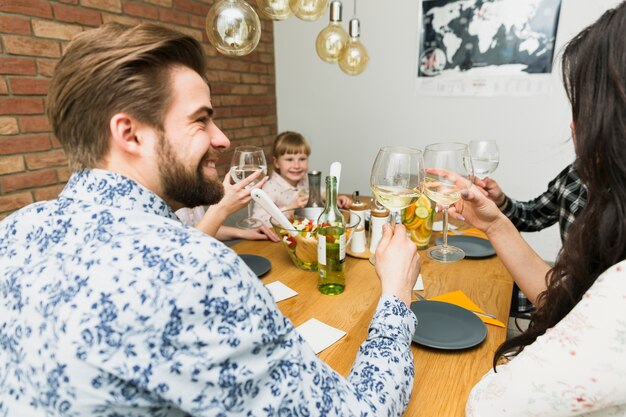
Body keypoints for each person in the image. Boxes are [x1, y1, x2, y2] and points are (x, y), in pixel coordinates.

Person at [0, 22, 421, 416]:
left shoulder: (11, 232)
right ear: (130, 134)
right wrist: (397, 295)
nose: (222, 138)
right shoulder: (193, 270)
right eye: (201, 120)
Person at [448, 4, 626, 414]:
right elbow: (570, 304)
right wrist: (497, 220)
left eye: (584, 105)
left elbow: (490, 405)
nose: (573, 125)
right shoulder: (579, 178)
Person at [251, 131, 351, 226]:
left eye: (302, 159)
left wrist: (335, 198)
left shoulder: (305, 180)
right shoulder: (270, 188)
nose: (297, 165)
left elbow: (321, 192)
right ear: (277, 162)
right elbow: (258, 221)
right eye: (289, 160)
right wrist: (290, 209)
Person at [477, 160, 587, 242]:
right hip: (565, 272)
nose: (572, 127)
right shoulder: (574, 173)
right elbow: (535, 216)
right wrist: (501, 201)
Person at [176, 170, 280, 242]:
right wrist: (221, 209)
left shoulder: (192, 189)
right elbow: (186, 251)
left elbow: (200, 227)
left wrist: (243, 233)